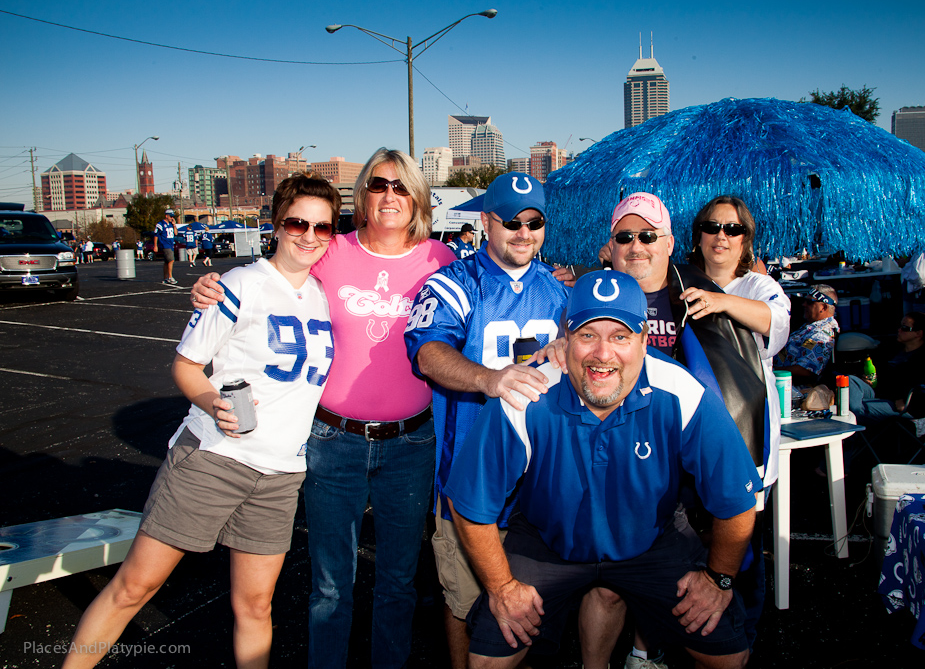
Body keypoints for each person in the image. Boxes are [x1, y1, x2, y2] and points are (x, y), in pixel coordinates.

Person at [62, 173, 340, 669]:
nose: (310, 236)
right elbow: (187, 366)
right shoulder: (240, 284)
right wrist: (214, 405)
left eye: (323, 227)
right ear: (277, 224)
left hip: (281, 474)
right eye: (298, 223)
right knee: (134, 587)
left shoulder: (325, 294)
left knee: (255, 607)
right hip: (215, 458)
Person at [192, 150, 455, 668]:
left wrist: (556, 281)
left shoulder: (440, 259)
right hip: (334, 441)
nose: (390, 196)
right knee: (332, 584)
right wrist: (212, 287)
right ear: (363, 194)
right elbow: (270, 276)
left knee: (399, 581)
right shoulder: (331, 250)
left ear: (418, 198)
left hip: (411, 444)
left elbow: (492, 290)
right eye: (379, 184)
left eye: (402, 186)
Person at [446, 270, 760, 669]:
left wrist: (719, 580)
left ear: (644, 340)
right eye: (588, 335)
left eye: (620, 336)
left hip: (650, 539)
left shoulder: (682, 392)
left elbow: (737, 498)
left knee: (729, 657)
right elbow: (469, 503)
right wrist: (503, 588)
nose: (603, 353)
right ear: (565, 339)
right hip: (548, 539)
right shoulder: (527, 394)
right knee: (487, 662)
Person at [553, 193, 789, 664]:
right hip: (624, 463)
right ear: (611, 245)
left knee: (719, 564)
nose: (636, 245)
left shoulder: (705, 292)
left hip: (698, 457)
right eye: (625, 237)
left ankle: (685, 644)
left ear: (669, 242)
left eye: (647, 235)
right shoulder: (595, 293)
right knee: (613, 579)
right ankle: (639, 653)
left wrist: (723, 301)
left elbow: (777, 323)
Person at [404, 171, 568, 669]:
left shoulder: (560, 292)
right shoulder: (454, 282)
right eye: (512, 222)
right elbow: (429, 353)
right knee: (467, 602)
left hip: (541, 482)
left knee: (535, 606)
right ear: (486, 222)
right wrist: (490, 379)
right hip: (472, 475)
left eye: (534, 222)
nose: (524, 233)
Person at [849, 311, 925, 424]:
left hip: (905, 403)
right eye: (900, 326)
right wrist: (869, 378)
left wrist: (907, 400)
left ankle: (851, 427)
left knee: (854, 409)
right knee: (848, 380)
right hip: (879, 391)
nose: (899, 330)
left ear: (919, 333)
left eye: (905, 328)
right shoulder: (894, 349)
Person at [774, 284, 839, 384]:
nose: (804, 304)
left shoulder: (821, 334)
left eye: (809, 302)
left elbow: (805, 370)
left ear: (823, 307)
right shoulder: (813, 327)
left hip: (792, 386)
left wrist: (771, 372)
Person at [155, 209, 178, 284]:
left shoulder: (171, 224)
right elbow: (156, 235)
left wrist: (174, 225)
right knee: (171, 260)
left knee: (167, 262)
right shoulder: (160, 224)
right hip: (165, 244)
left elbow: (176, 233)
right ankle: (170, 277)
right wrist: (155, 245)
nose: (172, 218)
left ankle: (165, 278)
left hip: (171, 244)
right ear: (166, 216)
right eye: (170, 216)